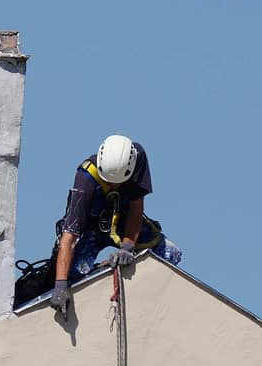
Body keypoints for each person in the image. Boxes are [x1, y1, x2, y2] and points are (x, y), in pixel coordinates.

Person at [49, 134, 180, 316]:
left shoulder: (137, 158)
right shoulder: (86, 178)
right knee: (76, 275)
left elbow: (136, 209)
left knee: (171, 255)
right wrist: (60, 285)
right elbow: (69, 237)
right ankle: (101, 282)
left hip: (124, 221)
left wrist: (127, 247)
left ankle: (142, 301)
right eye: (108, 181)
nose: (111, 185)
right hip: (92, 229)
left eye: (115, 182)